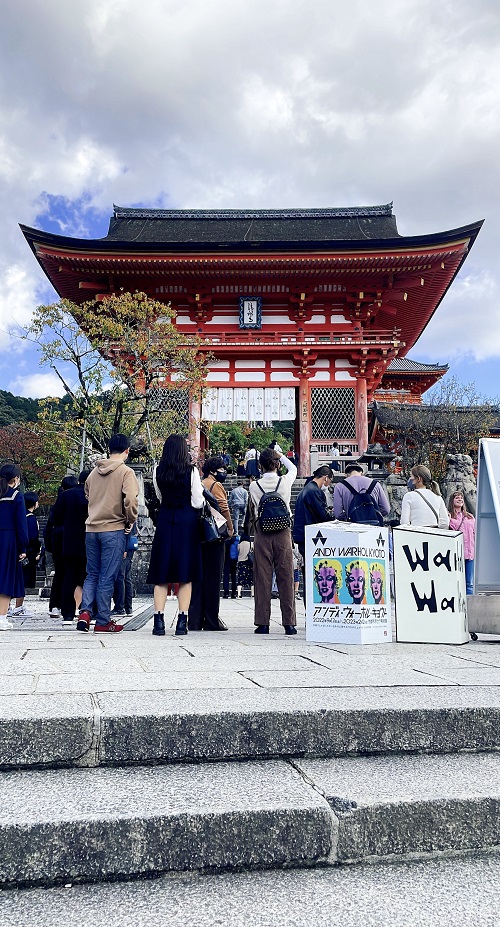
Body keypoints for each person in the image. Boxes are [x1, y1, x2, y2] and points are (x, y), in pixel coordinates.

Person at [77, 434, 139, 633]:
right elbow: (130, 499)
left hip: (91, 529)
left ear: (109, 449)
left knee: (91, 574)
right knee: (107, 575)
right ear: (127, 450)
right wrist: (129, 520)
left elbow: (87, 494)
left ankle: (85, 613)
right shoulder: (125, 472)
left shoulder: (93, 473)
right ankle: (103, 620)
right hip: (113, 529)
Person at [148, 434, 204, 636]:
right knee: (185, 574)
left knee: (161, 575)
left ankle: (158, 621)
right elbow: (197, 501)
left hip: (165, 521)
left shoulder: (157, 471)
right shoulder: (191, 472)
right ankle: (182, 621)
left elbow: (160, 496)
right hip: (186, 523)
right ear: (183, 450)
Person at [249, 444, 297, 635]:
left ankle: (263, 623)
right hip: (283, 532)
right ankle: (289, 623)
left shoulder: (254, 486)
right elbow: (293, 468)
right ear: (277, 465)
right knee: (286, 576)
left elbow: (253, 509)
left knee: (262, 577)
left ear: (260, 466)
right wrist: (281, 455)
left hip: (262, 533)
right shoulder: (285, 482)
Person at [188, 456, 233, 631]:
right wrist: (230, 528)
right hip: (214, 536)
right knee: (213, 579)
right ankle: (212, 620)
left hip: (199, 535)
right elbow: (224, 508)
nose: (224, 472)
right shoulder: (216, 485)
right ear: (214, 471)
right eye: (222, 469)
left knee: (198, 578)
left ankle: (195, 619)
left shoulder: (198, 483)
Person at [51, 471, 90, 623]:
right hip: (89, 542)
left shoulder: (65, 496)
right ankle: (86, 610)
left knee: (69, 577)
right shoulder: (93, 496)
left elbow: (55, 518)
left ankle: (67, 612)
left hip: (68, 542)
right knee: (88, 578)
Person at [293, 465, 333, 604]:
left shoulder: (305, 489)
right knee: (315, 575)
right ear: (326, 477)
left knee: (309, 574)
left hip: (302, 535)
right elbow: (322, 515)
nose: (328, 485)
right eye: (329, 481)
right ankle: (313, 608)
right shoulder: (315, 491)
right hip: (311, 537)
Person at [45, 475, 79, 618]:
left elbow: (51, 522)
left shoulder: (60, 499)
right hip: (74, 541)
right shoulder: (80, 498)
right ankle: (74, 606)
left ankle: (55, 605)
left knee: (59, 574)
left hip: (58, 540)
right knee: (74, 575)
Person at [0, 465, 28, 631]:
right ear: (15, 479)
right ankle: (2, 618)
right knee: (5, 578)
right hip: (8, 539)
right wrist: (23, 546)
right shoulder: (16, 496)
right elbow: (21, 524)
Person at [8, 491, 40, 617]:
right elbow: (32, 537)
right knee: (22, 580)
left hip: (14, 550)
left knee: (11, 578)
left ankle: (8, 606)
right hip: (27, 553)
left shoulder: (17, 515)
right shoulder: (31, 518)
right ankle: (19, 607)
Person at [448, 489, 475, 594]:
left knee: (469, 583)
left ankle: (469, 607)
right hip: (457, 553)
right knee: (456, 581)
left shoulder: (469, 516)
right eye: (456, 497)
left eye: (461, 497)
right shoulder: (449, 516)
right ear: (452, 501)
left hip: (470, 553)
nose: (460, 499)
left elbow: (474, 532)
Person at [112, 523, 138, 618]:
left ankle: (120, 607)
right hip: (129, 543)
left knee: (120, 576)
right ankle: (128, 607)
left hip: (124, 544)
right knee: (126, 577)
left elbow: (127, 529)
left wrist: (124, 548)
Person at [236, 532, 253, 598]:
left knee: (240, 579)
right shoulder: (251, 544)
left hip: (241, 562)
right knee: (251, 579)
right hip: (249, 562)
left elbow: (238, 551)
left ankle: (239, 594)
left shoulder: (239, 545)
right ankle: (252, 594)